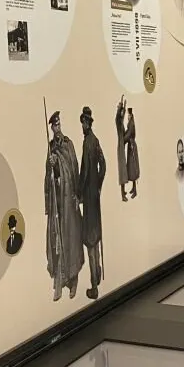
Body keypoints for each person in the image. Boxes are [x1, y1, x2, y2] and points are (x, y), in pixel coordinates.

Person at [44, 111, 84, 302]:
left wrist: (78, 196)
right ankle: (59, 281)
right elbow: (48, 177)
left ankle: (73, 280)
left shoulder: (68, 144)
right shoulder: (50, 148)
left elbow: (73, 168)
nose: (57, 128)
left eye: (59, 124)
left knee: (71, 238)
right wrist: (52, 165)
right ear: (52, 128)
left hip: (69, 200)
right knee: (57, 239)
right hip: (57, 201)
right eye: (55, 125)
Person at [78, 107, 105, 300]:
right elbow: (103, 165)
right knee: (96, 235)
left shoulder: (88, 142)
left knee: (90, 239)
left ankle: (94, 285)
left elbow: (85, 171)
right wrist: (99, 185)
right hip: (95, 196)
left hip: (88, 197)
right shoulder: (95, 141)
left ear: (87, 123)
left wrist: (79, 192)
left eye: (83, 123)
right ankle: (97, 270)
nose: (82, 126)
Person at [115, 97, 129, 202]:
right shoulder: (118, 122)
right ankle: (122, 195)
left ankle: (123, 192)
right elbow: (118, 116)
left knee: (123, 171)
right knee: (122, 172)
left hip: (122, 148)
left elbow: (122, 115)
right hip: (120, 149)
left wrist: (124, 106)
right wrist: (121, 107)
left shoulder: (121, 123)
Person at [124, 107, 140, 199]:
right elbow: (127, 132)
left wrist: (123, 140)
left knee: (133, 168)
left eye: (128, 115)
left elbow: (129, 134)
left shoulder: (131, 123)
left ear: (130, 115)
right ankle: (134, 188)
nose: (128, 116)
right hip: (131, 146)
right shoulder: (130, 123)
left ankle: (135, 191)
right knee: (131, 168)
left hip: (132, 147)